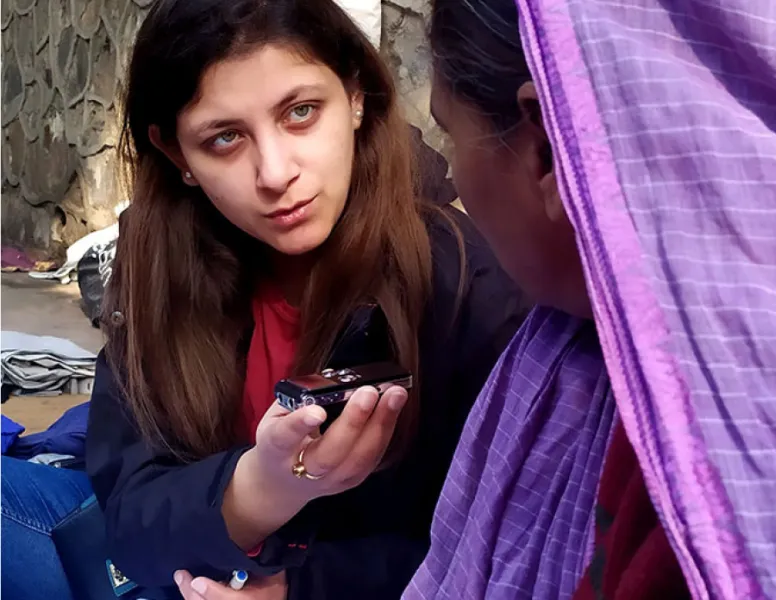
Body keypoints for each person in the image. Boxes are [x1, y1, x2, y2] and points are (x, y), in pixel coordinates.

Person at [0, 0, 529, 599]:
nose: (275, 173)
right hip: (165, 568)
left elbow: (501, 550)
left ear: (355, 96)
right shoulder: (158, 267)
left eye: (301, 112)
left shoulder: (462, 281)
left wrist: (295, 591)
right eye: (224, 138)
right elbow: (130, 504)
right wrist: (258, 488)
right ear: (178, 156)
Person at [404, 0, 776, 599]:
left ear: (547, 149)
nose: (452, 175)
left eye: (449, 133)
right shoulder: (596, 345)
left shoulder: (715, 486)